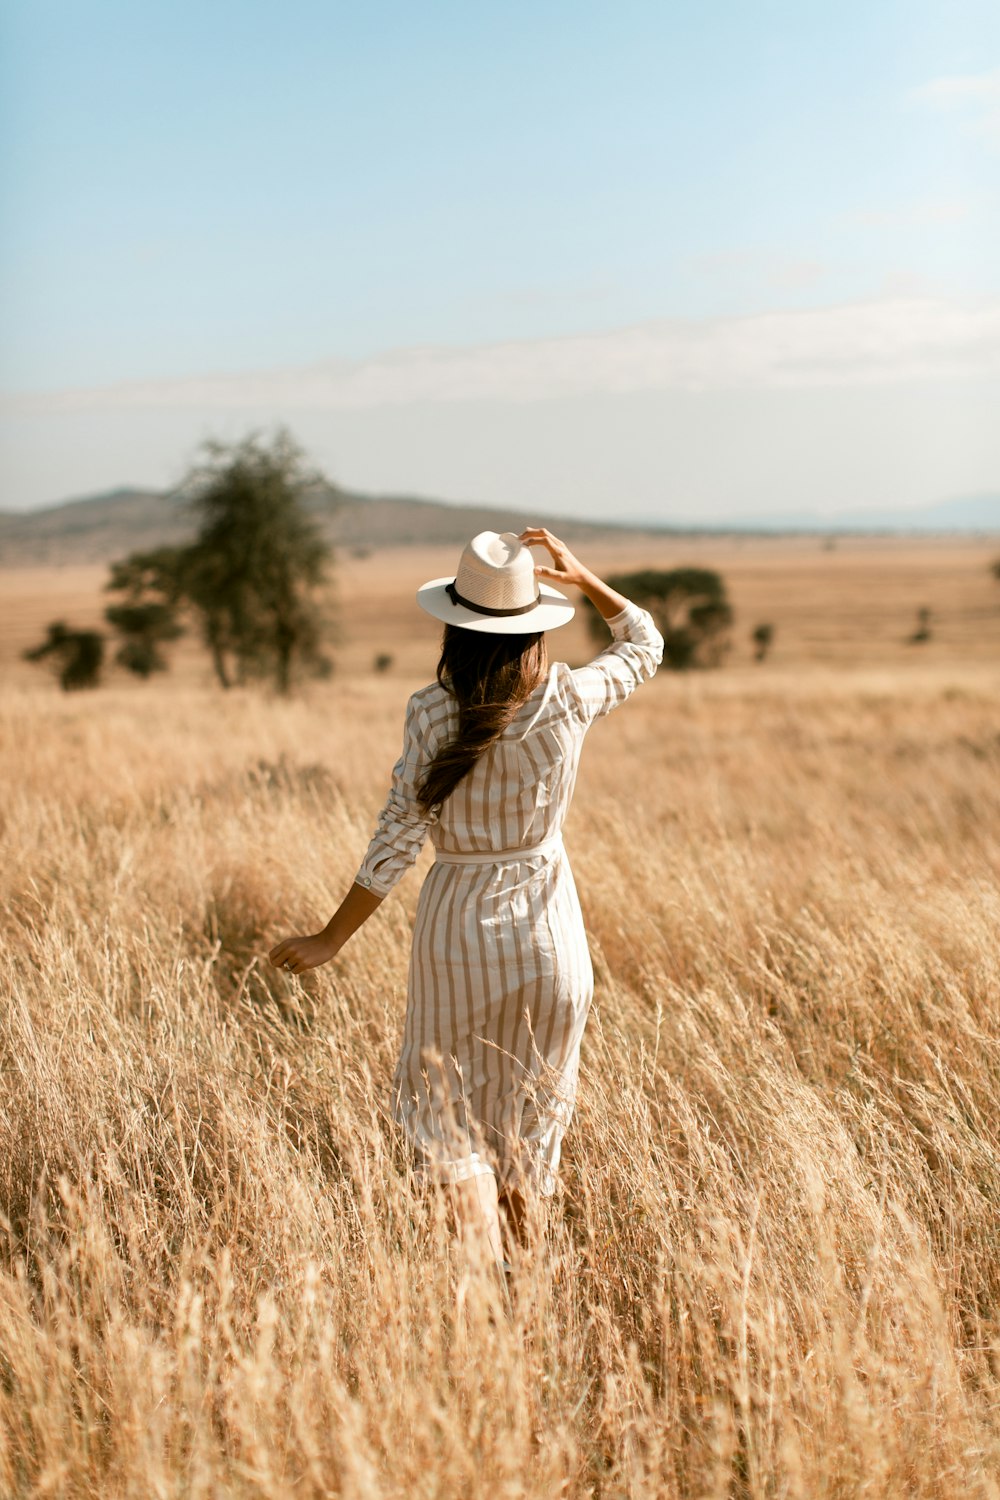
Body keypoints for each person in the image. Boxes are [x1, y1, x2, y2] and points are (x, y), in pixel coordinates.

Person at [268, 528, 664, 1276]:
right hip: (555, 939)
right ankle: (528, 1318)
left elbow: (398, 836)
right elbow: (644, 645)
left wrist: (332, 937)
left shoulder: (429, 712)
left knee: (446, 1124)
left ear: (456, 627)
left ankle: (478, 1318)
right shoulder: (571, 697)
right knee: (529, 1129)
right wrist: (584, 578)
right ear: (535, 626)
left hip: (460, 932)